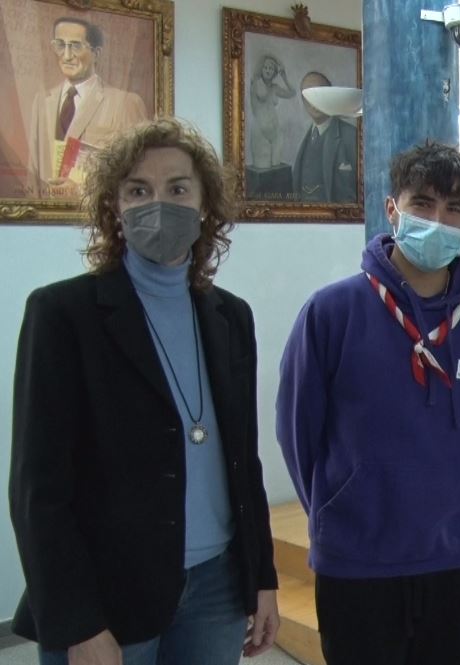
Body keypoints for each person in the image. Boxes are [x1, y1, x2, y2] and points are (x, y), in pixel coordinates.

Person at [9, 117, 279, 665]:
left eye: (178, 189)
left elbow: (242, 461)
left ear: (204, 205)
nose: (159, 204)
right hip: (108, 594)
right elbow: (38, 491)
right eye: (138, 190)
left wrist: (262, 576)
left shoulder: (231, 317)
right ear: (115, 207)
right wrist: (78, 622)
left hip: (217, 589)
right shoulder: (63, 314)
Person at [276, 142, 460, 665]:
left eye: (454, 209)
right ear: (392, 209)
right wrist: (337, 514)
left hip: (452, 559)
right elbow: (298, 432)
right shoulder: (332, 312)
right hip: (357, 563)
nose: (438, 220)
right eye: (422, 204)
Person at [27, 16, 147, 198]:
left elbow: (140, 176)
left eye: (76, 46)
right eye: (60, 45)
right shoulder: (42, 102)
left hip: (97, 214)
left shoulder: (125, 103)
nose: (67, 56)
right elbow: (33, 174)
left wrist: (82, 191)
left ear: (96, 53)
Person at [291, 71, 358, 203]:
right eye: (308, 96)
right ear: (303, 101)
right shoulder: (306, 138)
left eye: (319, 94)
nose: (314, 101)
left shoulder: (352, 136)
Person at [248, 54, 295, 169]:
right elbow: (263, 94)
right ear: (261, 69)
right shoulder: (256, 83)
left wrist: (284, 77)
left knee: (276, 169)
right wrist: (276, 59)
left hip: (275, 132)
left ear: (274, 72)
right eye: (265, 67)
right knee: (263, 169)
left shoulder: (275, 87)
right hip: (260, 133)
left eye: (271, 68)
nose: (268, 70)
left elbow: (292, 93)